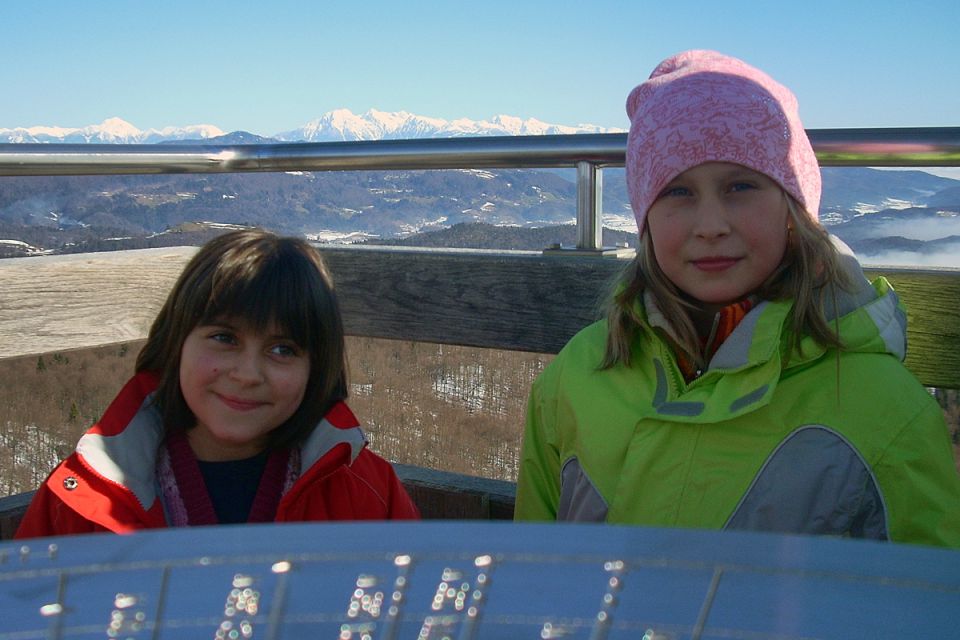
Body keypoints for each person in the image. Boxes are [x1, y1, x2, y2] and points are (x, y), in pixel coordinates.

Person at [514, 50, 960, 546]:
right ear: (645, 219)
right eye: (677, 192)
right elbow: (530, 570)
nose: (711, 226)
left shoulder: (881, 407)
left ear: (793, 210)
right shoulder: (576, 376)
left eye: (741, 186)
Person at [16, 229, 419, 538]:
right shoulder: (84, 494)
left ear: (317, 370)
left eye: (283, 350)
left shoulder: (364, 489)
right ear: (177, 342)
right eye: (225, 338)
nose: (246, 374)